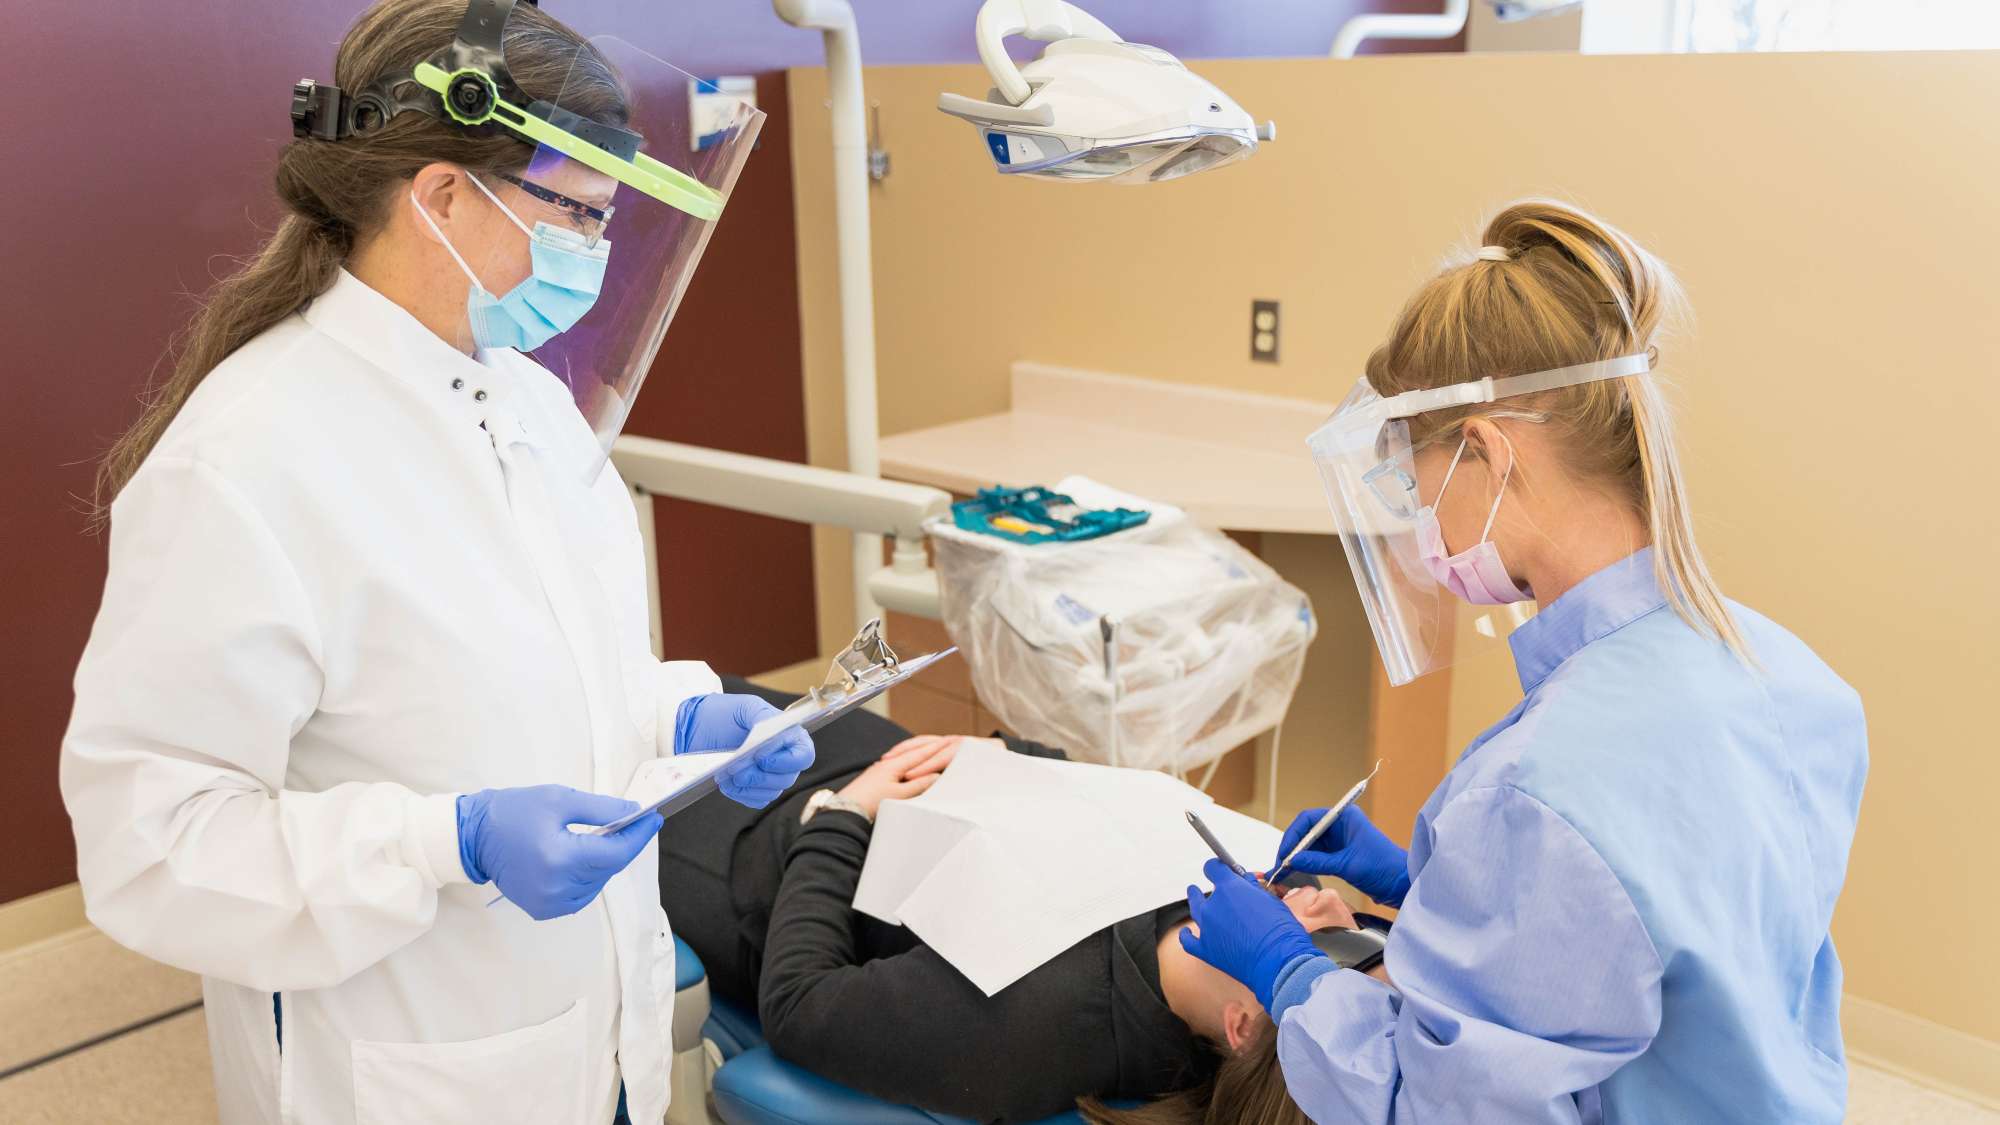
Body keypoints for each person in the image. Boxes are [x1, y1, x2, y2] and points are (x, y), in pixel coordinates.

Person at [58, 3, 809, 1123]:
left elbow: (510, 671)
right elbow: (153, 842)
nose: (593, 255)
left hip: (592, 1032)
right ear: (445, 193)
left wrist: (678, 719)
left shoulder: (531, 401)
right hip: (411, 1064)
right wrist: (445, 844)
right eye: (574, 214)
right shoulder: (248, 458)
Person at [1179, 200, 1867, 1123]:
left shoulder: (1533, 789)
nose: (1420, 525)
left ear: (1484, 453)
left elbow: (1436, 1109)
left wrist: (1289, 971)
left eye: (1414, 483)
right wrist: (1425, 885)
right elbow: (1661, 952)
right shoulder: (1798, 681)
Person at [662, 680, 1386, 1124]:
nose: (1334, 910)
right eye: (1369, 939)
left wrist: (842, 816)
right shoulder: (1232, 875)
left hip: (741, 847)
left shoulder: (1040, 1023)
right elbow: (1094, 803)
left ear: (1242, 1024)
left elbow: (798, 1001)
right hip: (852, 751)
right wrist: (1008, 757)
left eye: (1324, 951)